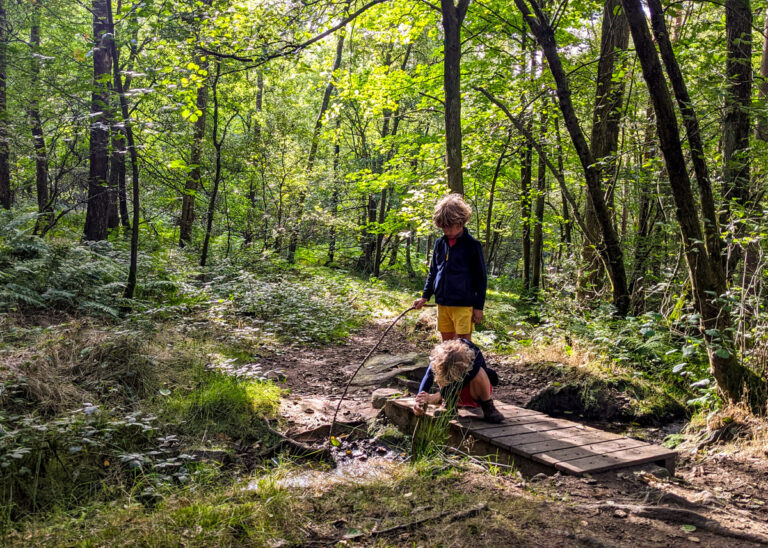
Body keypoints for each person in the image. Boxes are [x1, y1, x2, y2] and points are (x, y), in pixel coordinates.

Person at [413, 194, 487, 341]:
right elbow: (433, 272)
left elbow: (481, 278)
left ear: (460, 223)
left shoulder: (472, 245)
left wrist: (479, 307)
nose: (445, 230)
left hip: (463, 304)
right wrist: (425, 297)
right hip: (443, 303)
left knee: (463, 345)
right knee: (446, 345)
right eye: (443, 227)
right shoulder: (440, 244)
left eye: (449, 226)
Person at [413, 338, 503, 423]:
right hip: (454, 395)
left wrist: (438, 395)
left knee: (479, 372)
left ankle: (488, 407)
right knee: (440, 372)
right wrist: (419, 401)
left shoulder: (474, 353)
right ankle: (449, 406)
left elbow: (468, 378)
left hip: (474, 393)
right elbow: (428, 376)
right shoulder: (439, 357)